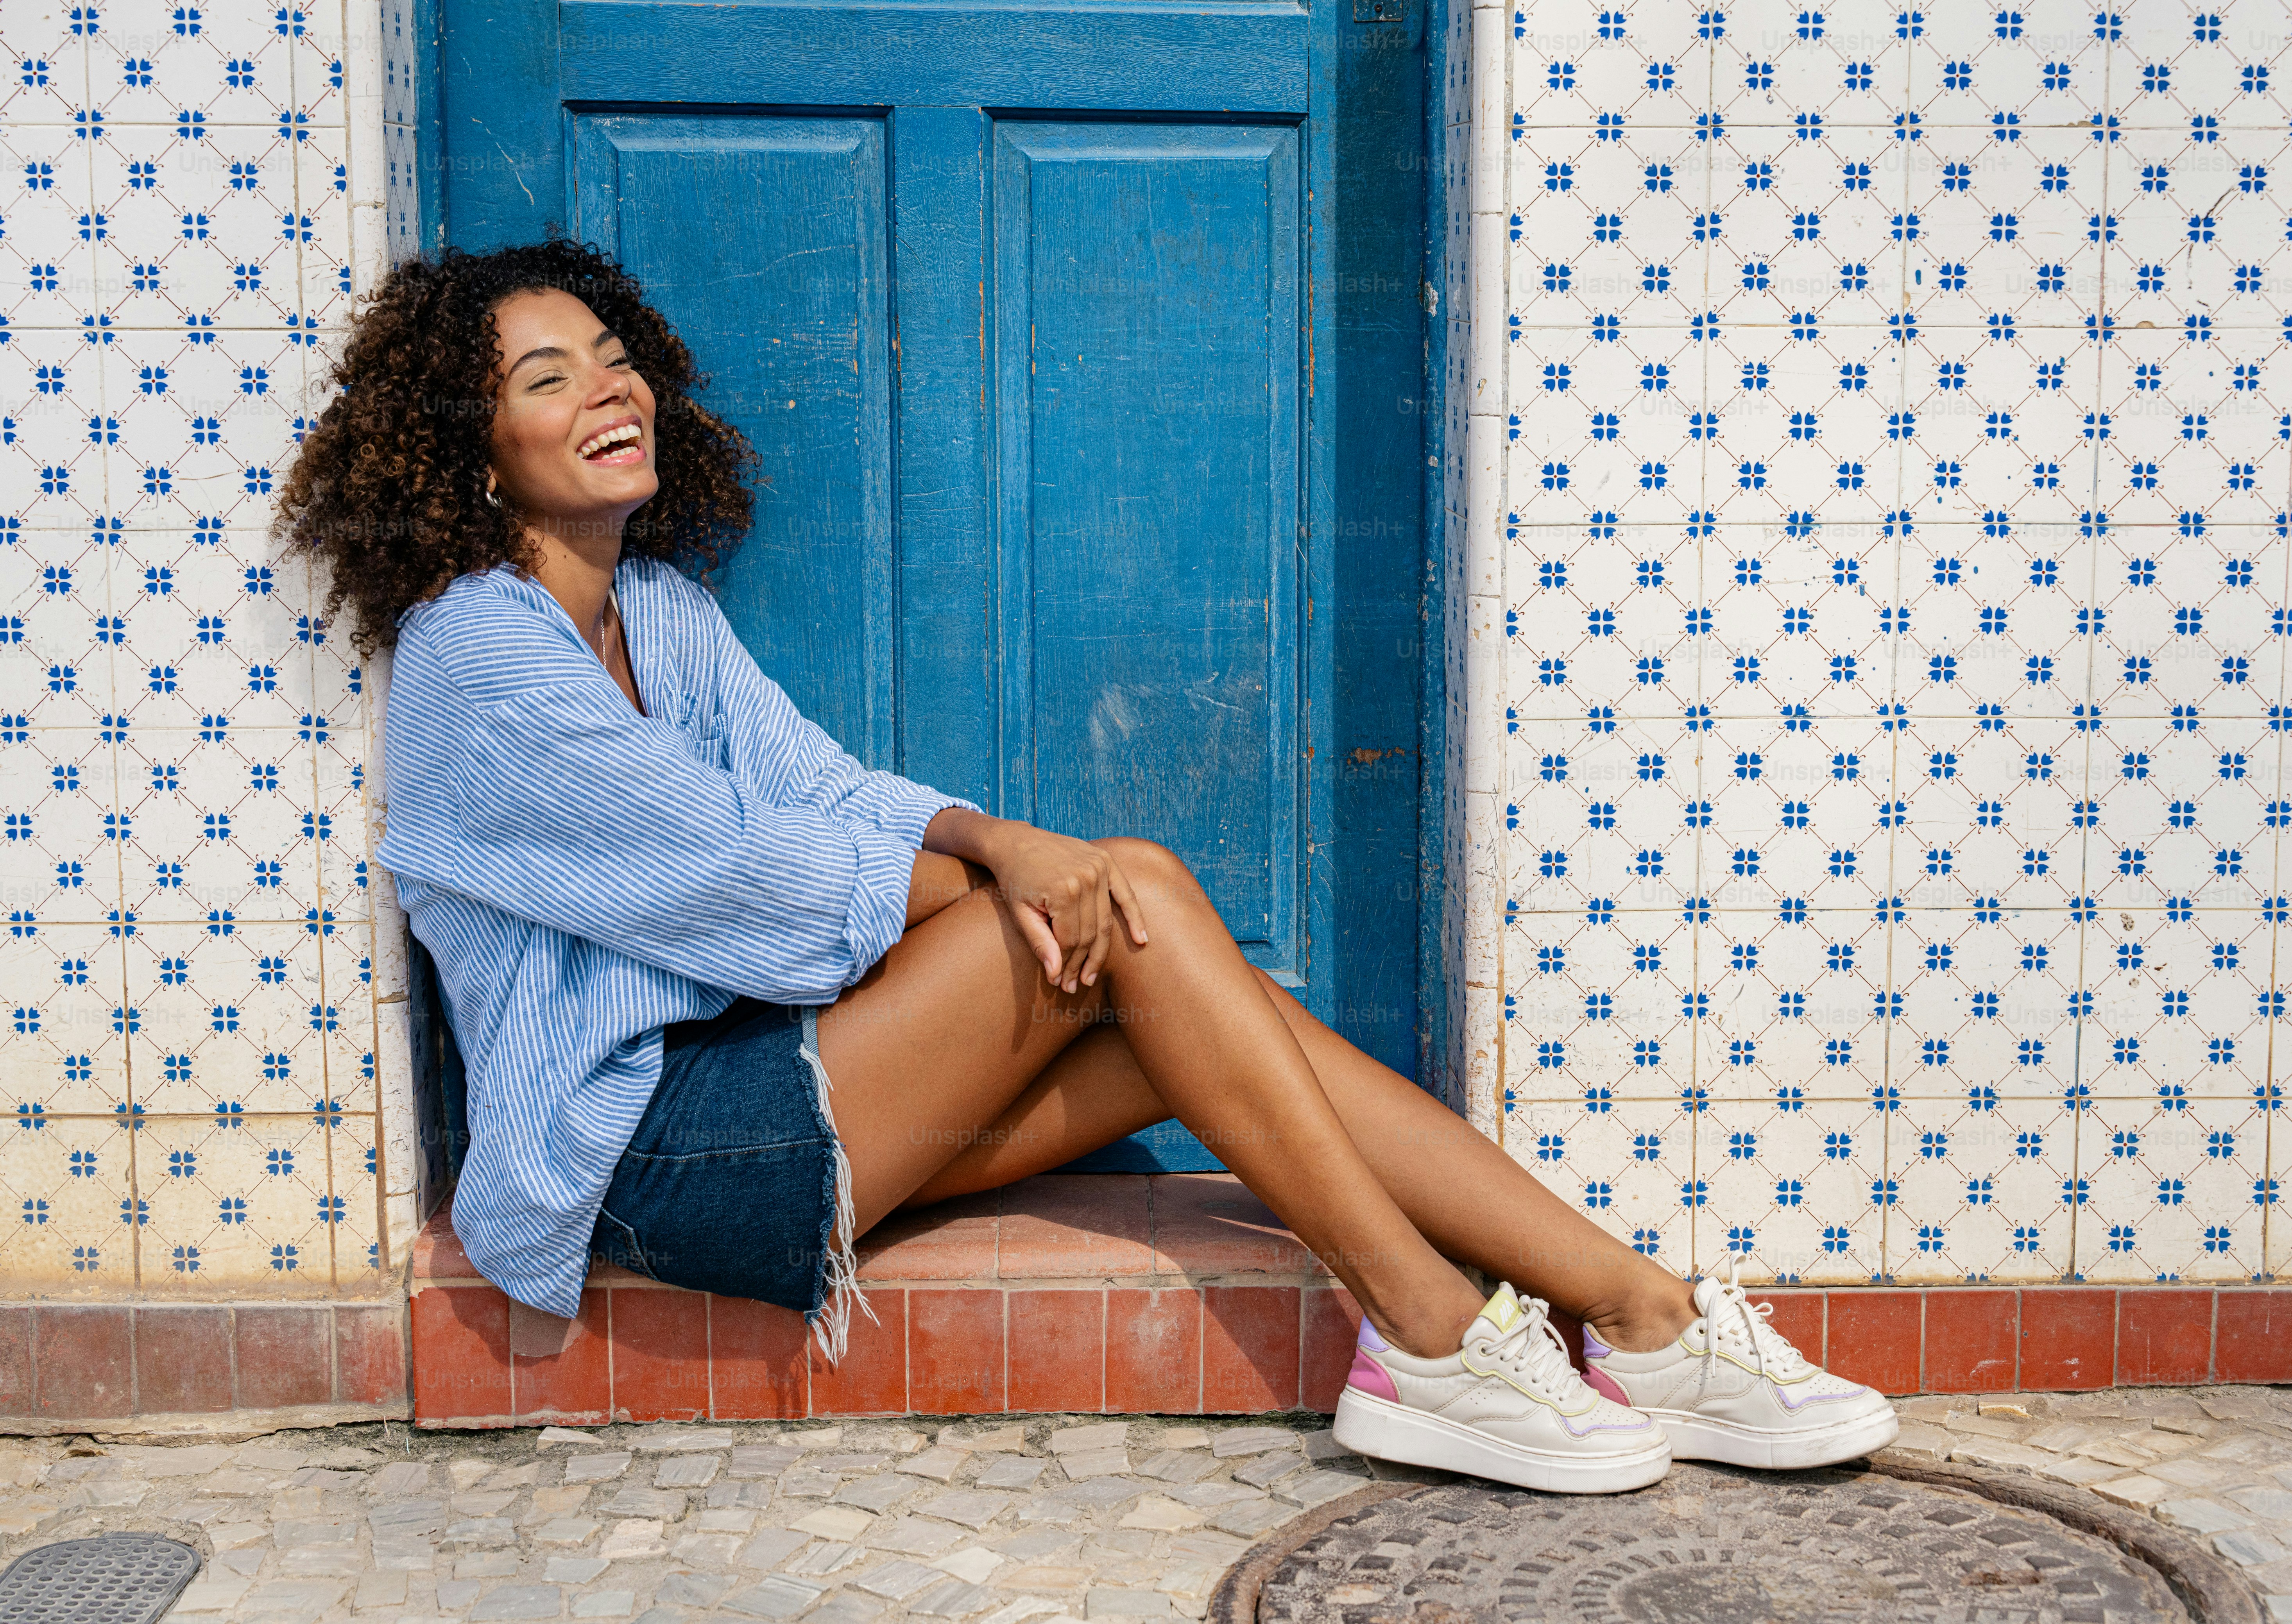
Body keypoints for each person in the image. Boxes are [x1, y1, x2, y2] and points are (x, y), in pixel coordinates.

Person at [276, 236, 1898, 1493]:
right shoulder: (477, 654)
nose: (606, 390)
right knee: (1125, 903)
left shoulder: (665, 616)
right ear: (473, 448)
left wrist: (992, 842)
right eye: (549, 377)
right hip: (638, 1151)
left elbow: (827, 789)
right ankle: (1431, 1332)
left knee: (1185, 1000)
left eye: (614, 358)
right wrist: (1032, 883)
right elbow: (739, 875)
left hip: (773, 1088)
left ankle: (1639, 1317)